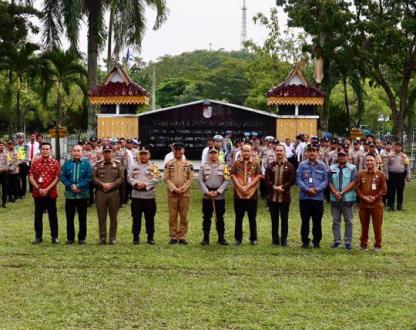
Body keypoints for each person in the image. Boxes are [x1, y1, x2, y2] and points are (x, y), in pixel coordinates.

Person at [296, 144, 329, 248]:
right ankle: (305, 241)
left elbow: (326, 180)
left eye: (314, 151)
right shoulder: (302, 165)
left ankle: (316, 242)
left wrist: (317, 189)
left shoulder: (322, 165)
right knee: (305, 221)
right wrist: (306, 189)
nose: (311, 153)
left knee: (317, 222)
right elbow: (298, 179)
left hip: (317, 198)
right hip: (305, 198)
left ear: (317, 152)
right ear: (307, 152)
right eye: (309, 150)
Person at [28, 142, 61, 244]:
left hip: (51, 193)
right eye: (43, 149)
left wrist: (47, 189)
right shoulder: (35, 162)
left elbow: (57, 177)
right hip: (38, 193)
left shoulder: (55, 163)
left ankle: (54, 237)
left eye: (47, 149)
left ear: (51, 150)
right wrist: (38, 188)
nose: (45, 150)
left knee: (53, 216)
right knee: (38, 216)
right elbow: (30, 176)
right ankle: (38, 237)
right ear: (40, 150)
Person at [198, 147, 231, 245]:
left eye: (215, 153)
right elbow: (200, 180)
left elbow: (227, 180)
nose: (213, 155)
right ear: (209, 154)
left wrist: (218, 192)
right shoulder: (203, 166)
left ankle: (221, 238)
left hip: (219, 196)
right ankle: (205, 238)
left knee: (220, 217)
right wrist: (207, 192)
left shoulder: (225, 166)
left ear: (218, 154)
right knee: (206, 217)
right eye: (211, 153)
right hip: (207, 196)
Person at [128, 146, 161, 245]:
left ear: (149, 155)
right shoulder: (134, 166)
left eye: (145, 154)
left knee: (150, 217)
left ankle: (150, 237)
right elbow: (129, 177)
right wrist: (136, 183)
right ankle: (136, 237)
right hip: (136, 196)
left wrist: (146, 184)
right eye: (141, 154)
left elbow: (158, 178)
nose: (143, 156)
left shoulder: (154, 166)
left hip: (149, 196)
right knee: (136, 217)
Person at [60, 145, 92, 244]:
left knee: (82, 218)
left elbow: (89, 177)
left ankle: (82, 238)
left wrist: (78, 186)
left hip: (82, 194)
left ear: (82, 152)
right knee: (69, 218)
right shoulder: (67, 163)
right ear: (72, 152)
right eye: (74, 151)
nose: (76, 152)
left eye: (78, 151)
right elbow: (62, 176)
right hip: (70, 195)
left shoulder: (87, 164)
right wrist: (70, 186)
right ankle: (70, 238)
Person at [264, 144, 296, 246]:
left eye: (281, 151)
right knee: (274, 220)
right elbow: (267, 179)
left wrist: (283, 187)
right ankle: (275, 240)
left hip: (285, 197)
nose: (279, 152)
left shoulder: (290, 166)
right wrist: (273, 187)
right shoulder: (270, 166)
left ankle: (284, 240)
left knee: (284, 220)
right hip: (272, 198)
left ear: (284, 152)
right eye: (277, 151)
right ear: (275, 152)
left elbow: (292, 180)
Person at [355, 153, 387, 252]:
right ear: (365, 162)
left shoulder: (380, 174)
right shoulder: (361, 174)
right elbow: (356, 188)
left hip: (376, 204)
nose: (369, 162)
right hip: (363, 204)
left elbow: (384, 189)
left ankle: (377, 245)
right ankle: (363, 244)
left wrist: (374, 197)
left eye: (371, 160)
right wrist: (363, 197)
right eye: (367, 160)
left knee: (377, 226)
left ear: (375, 161)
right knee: (364, 226)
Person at [231, 143, 261, 245]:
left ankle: (253, 238)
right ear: (241, 151)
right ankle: (238, 239)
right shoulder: (236, 163)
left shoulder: (256, 163)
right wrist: (240, 188)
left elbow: (258, 176)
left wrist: (247, 187)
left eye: (248, 151)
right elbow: (233, 175)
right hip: (238, 194)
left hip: (252, 194)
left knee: (252, 218)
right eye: (244, 151)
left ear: (251, 152)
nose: (246, 153)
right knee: (238, 217)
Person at [92, 145, 124, 245]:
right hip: (101, 193)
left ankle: (112, 238)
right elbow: (93, 178)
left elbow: (121, 178)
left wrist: (112, 185)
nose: (107, 154)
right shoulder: (97, 164)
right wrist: (102, 184)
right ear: (102, 153)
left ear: (112, 152)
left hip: (114, 193)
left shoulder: (118, 164)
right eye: (105, 152)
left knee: (113, 217)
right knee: (102, 216)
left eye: (109, 152)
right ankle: (102, 238)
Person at [164, 142, 194, 245]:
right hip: (172, 194)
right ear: (173, 151)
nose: (178, 151)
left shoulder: (189, 164)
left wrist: (182, 189)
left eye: (180, 149)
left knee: (184, 216)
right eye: (176, 149)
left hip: (184, 194)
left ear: (183, 151)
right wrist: (174, 189)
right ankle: (173, 236)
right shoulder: (169, 164)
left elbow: (191, 179)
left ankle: (182, 236)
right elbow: (166, 178)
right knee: (172, 216)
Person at [328, 149, 357, 251]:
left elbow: (353, 182)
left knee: (348, 221)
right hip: (334, 198)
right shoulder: (331, 168)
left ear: (347, 156)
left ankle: (348, 242)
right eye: (339, 155)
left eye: (343, 155)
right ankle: (337, 241)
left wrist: (341, 192)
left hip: (347, 199)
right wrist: (335, 193)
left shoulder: (352, 168)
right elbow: (329, 182)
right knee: (336, 221)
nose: (341, 157)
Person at [386, 142, 411, 211]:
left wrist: (408, 175)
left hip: (401, 175)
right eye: (396, 146)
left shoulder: (404, 156)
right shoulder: (389, 155)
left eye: (399, 147)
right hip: (392, 175)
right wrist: (386, 175)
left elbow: (407, 166)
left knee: (400, 191)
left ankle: (399, 206)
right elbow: (386, 166)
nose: (397, 148)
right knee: (391, 191)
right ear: (394, 147)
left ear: (401, 148)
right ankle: (391, 206)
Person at [15, 132, 29, 198]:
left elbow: (27, 156)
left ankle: (23, 193)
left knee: (23, 179)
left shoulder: (26, 146)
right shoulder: (15, 146)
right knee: (17, 179)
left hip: (23, 164)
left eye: (21, 138)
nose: (20, 139)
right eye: (18, 138)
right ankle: (18, 192)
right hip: (16, 165)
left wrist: (21, 161)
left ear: (23, 138)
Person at [0, 141, 8, 208]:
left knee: (5, 188)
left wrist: (3, 169)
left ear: (4, 146)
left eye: (2, 145)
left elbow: (9, 163)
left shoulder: (6, 154)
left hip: (4, 173)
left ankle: (4, 202)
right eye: (0, 145)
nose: (1, 146)